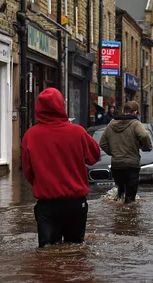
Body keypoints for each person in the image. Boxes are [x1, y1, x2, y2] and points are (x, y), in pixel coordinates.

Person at [21, 88, 101, 248]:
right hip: (75, 204)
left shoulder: (30, 135)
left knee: (47, 255)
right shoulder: (77, 132)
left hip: (47, 205)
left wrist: (44, 184)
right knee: (75, 252)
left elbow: (28, 172)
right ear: (61, 107)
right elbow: (94, 156)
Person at [99, 101, 152, 204]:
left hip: (116, 165)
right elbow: (144, 135)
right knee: (130, 200)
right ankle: (128, 217)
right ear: (135, 112)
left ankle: (118, 217)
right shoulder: (135, 124)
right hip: (131, 166)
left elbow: (102, 143)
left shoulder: (111, 124)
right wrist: (146, 147)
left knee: (120, 195)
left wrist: (113, 153)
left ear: (123, 111)